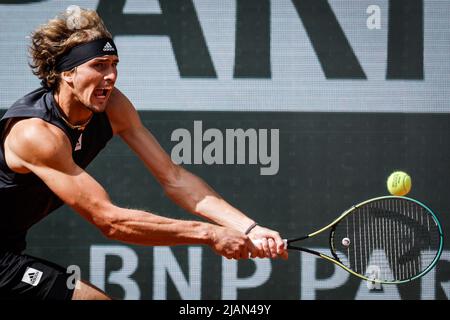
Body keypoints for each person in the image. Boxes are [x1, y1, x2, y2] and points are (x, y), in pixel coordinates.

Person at [0, 5, 287, 300]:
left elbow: (174, 178)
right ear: (68, 74)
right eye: (99, 65)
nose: (111, 75)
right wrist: (209, 233)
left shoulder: (113, 107)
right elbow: (110, 221)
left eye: (114, 64)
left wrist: (249, 227)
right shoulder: (36, 134)